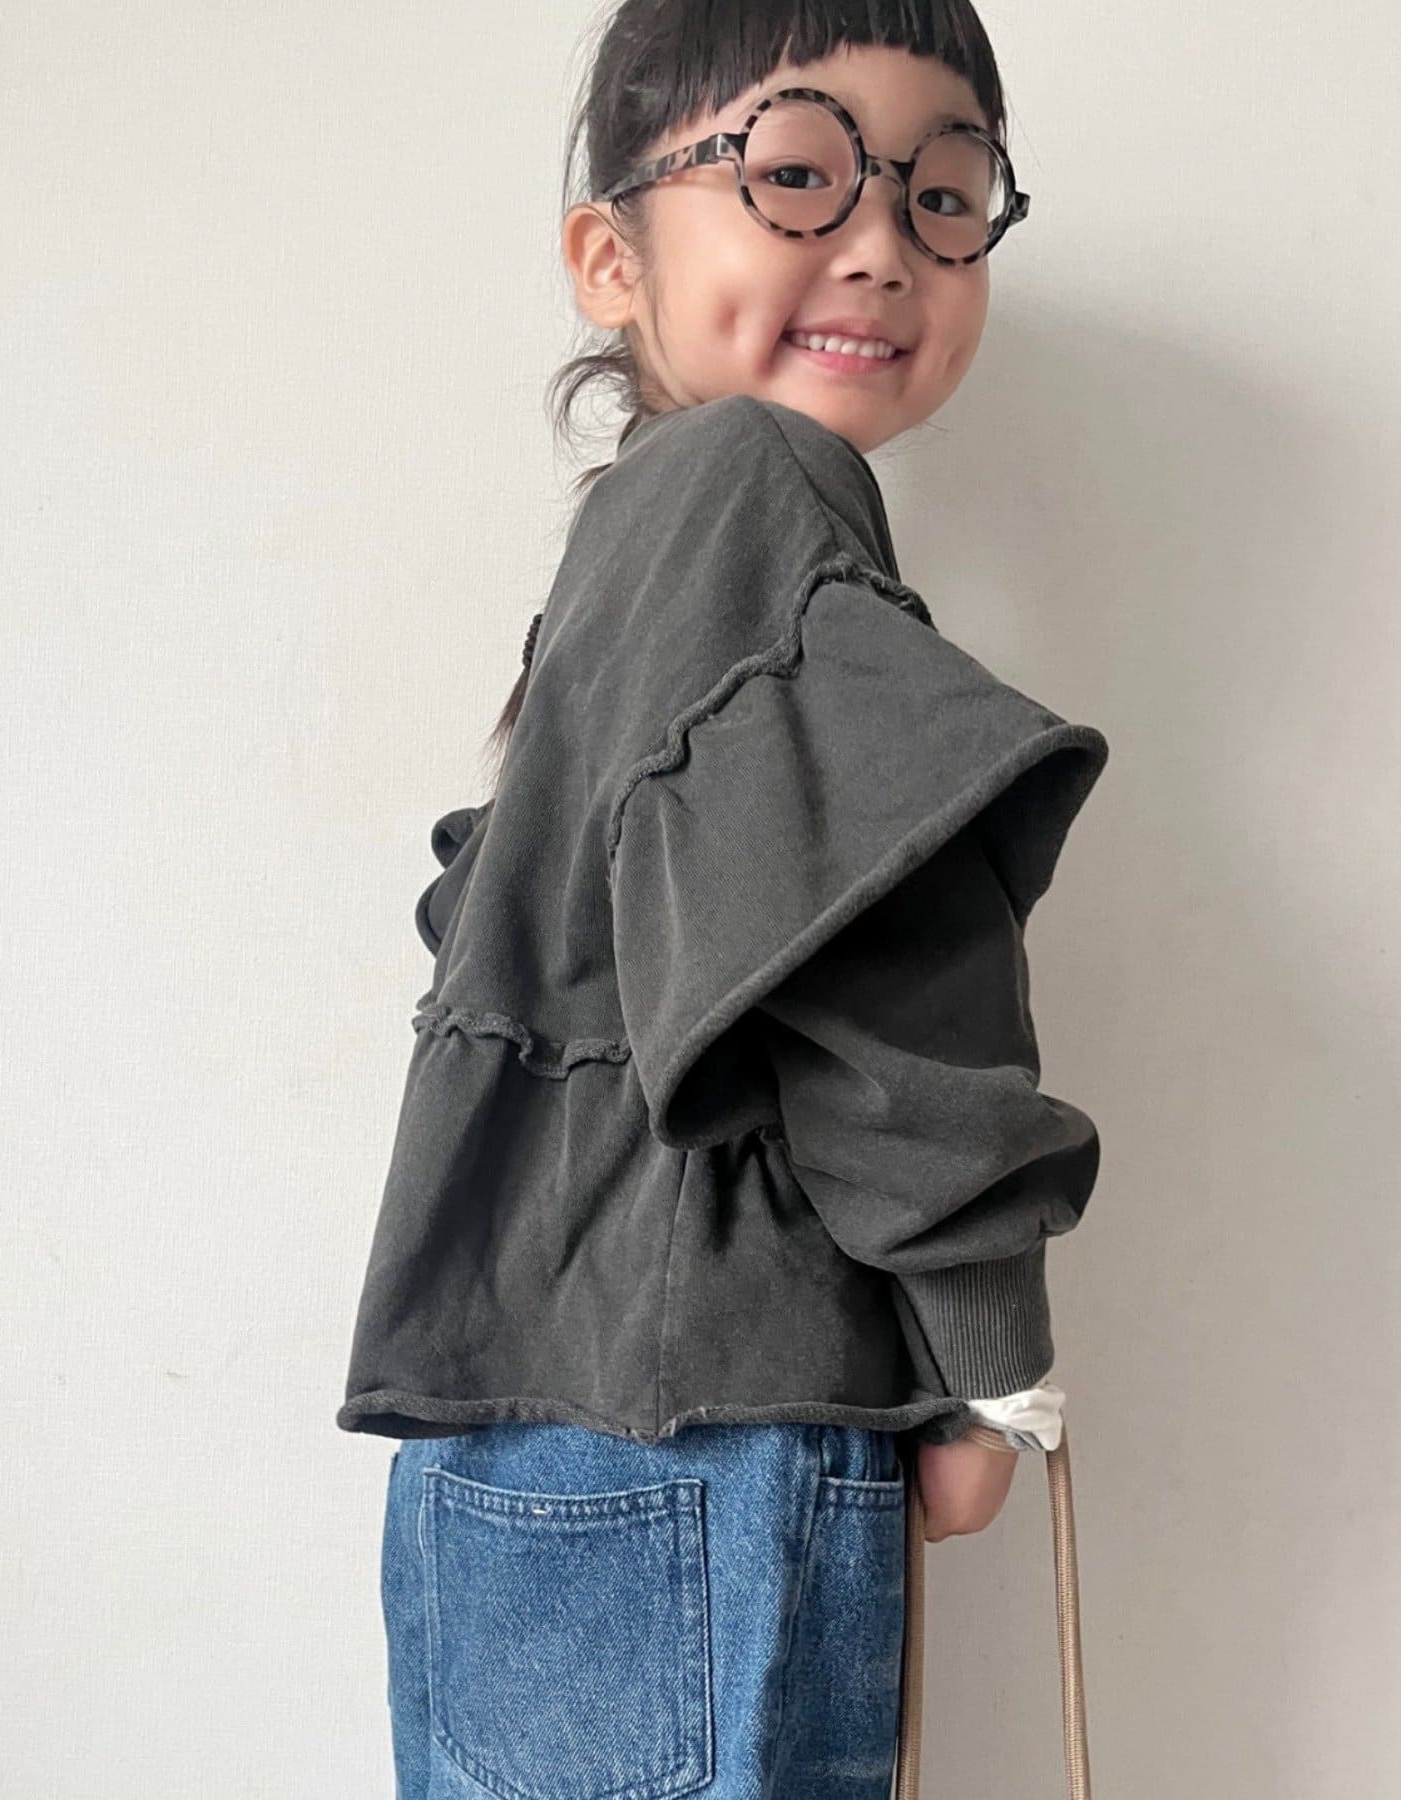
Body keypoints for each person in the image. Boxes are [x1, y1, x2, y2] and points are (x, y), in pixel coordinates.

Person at [339, 6, 1111, 1795]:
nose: (882, 243)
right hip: (709, 1420)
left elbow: (500, 911)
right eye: (796, 174)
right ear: (613, 258)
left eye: (944, 193)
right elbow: (879, 951)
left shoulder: (629, 534)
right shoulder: (766, 489)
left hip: (509, 1428)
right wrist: (986, 1356)